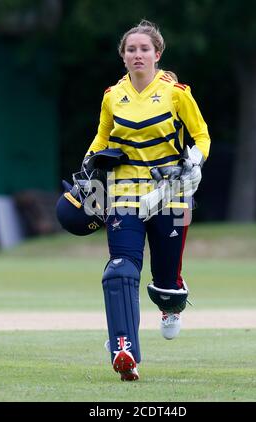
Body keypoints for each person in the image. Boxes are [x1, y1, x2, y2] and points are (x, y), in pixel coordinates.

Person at [82, 19, 211, 381]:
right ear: (123, 57)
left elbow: (201, 135)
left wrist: (196, 160)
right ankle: (124, 348)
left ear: (157, 54)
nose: (137, 54)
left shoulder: (176, 93)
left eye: (144, 49)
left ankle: (172, 305)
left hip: (170, 193)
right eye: (131, 49)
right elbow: (101, 138)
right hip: (124, 192)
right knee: (120, 268)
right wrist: (88, 164)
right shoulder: (112, 96)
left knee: (167, 281)